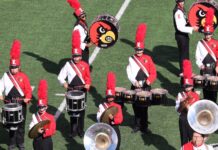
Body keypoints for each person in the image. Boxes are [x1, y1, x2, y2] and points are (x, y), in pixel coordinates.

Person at [57, 30, 91, 138]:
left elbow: (87, 78)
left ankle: (81, 130)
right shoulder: (68, 65)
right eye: (75, 56)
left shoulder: (85, 65)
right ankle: (73, 131)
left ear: (81, 56)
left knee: (81, 110)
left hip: (82, 91)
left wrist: (88, 84)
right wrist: (64, 83)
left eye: (78, 56)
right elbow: (60, 76)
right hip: (71, 90)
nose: (76, 58)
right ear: (72, 56)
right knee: (72, 111)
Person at [0, 40, 32, 150]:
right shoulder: (5, 76)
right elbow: (0, 87)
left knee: (21, 125)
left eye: (15, 67)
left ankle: (20, 143)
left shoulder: (24, 76)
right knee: (11, 125)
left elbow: (28, 89)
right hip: (9, 104)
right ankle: (12, 143)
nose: (13, 69)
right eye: (12, 67)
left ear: (19, 66)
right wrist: (0, 94)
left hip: (21, 104)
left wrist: (27, 97)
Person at [126, 23, 156, 134]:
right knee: (135, 106)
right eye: (137, 50)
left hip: (146, 86)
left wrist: (147, 81)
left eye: (140, 49)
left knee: (144, 107)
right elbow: (129, 71)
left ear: (143, 49)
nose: (139, 51)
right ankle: (137, 125)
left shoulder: (148, 58)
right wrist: (134, 82)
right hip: (135, 85)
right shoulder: (131, 59)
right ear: (135, 49)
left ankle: (144, 126)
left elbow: (153, 73)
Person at [195, 8, 218, 104]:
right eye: (206, 34)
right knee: (206, 91)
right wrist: (200, 65)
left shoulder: (216, 43)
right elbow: (197, 57)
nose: (207, 35)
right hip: (204, 70)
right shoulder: (200, 43)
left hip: (214, 71)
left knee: (213, 92)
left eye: (209, 34)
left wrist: (217, 66)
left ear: (211, 33)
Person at [175, 60, 200, 146]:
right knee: (184, 140)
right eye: (185, 86)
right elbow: (177, 110)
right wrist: (183, 104)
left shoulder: (196, 95)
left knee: (193, 139)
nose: (187, 88)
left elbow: (198, 110)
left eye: (189, 86)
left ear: (192, 86)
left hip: (193, 120)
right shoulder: (180, 95)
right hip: (183, 118)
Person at [97, 71, 123, 150]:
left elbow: (120, 119)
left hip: (114, 127)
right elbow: (98, 117)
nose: (110, 99)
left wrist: (113, 119)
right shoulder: (102, 106)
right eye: (108, 97)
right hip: (104, 128)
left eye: (111, 97)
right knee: (104, 146)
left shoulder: (117, 106)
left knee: (116, 145)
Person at [29, 80, 56, 150]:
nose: (41, 109)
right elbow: (30, 127)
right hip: (36, 140)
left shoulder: (51, 117)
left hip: (46, 141)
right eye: (39, 107)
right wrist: (36, 130)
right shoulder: (34, 116)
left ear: (46, 107)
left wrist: (44, 131)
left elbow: (53, 130)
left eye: (43, 107)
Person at [173, 0, 198, 74]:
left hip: (183, 35)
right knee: (184, 55)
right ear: (177, 2)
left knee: (185, 54)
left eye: (183, 1)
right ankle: (183, 72)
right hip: (181, 35)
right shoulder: (178, 12)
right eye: (180, 2)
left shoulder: (180, 10)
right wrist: (192, 28)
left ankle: (185, 71)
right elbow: (180, 27)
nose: (182, 3)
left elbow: (184, 22)